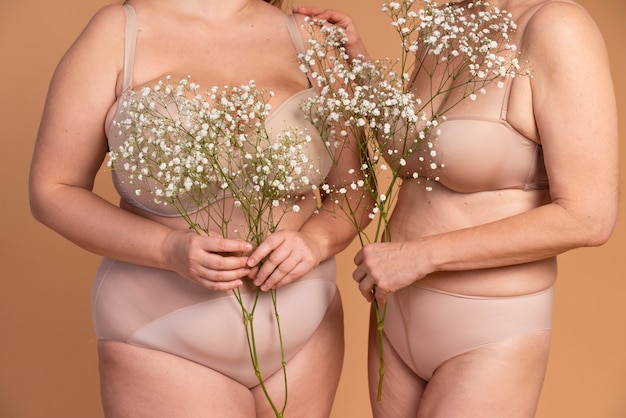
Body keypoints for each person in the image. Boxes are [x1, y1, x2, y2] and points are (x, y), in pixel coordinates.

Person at [29, 0, 369, 416]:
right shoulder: (117, 32)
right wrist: (167, 248)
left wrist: (314, 242)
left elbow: (354, 191)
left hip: (306, 328)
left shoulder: (310, 34)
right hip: (163, 331)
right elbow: (53, 189)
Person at [296, 1, 619, 417]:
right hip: (395, 318)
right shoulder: (447, 17)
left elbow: (589, 217)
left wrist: (421, 256)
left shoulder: (556, 26)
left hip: (488, 329)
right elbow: (423, 147)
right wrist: (359, 63)